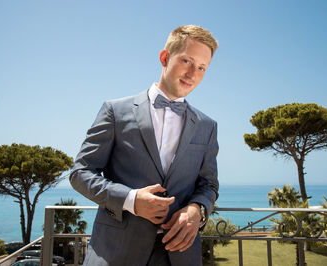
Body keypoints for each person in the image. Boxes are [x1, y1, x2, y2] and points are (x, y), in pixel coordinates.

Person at [70, 25, 219, 266]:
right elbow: (80, 173)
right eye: (186, 61)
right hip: (116, 253)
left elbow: (208, 184)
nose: (193, 74)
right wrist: (130, 199)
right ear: (165, 58)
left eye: (202, 67)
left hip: (180, 255)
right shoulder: (115, 111)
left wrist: (197, 210)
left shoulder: (207, 126)